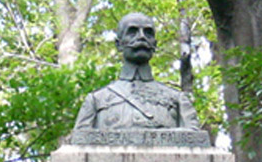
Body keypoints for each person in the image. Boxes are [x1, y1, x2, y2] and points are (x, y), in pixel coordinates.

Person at [73, 13, 201, 131]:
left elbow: (194, 137)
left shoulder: (177, 99)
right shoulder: (96, 100)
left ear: (154, 45)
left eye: (148, 33)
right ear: (119, 44)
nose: (141, 37)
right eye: (133, 32)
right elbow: (80, 140)